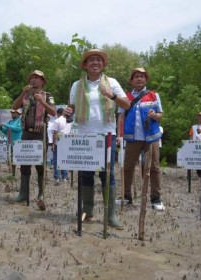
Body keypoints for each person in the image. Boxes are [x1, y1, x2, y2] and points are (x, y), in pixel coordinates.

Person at [65, 49, 130, 228]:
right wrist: (68, 112)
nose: (95, 62)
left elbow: (127, 104)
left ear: (103, 64)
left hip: (107, 134)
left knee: (107, 175)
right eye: (91, 60)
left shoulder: (112, 82)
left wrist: (112, 95)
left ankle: (110, 216)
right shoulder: (76, 86)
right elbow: (71, 110)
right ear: (85, 65)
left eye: (99, 60)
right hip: (84, 135)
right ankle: (88, 211)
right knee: (86, 175)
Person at [117, 67, 164, 211]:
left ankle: (156, 199)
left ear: (146, 79)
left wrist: (155, 115)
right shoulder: (125, 97)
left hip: (151, 138)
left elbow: (161, 114)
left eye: (142, 76)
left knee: (154, 168)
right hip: (132, 138)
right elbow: (121, 116)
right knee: (128, 167)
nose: (139, 78)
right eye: (136, 76)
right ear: (131, 80)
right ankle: (126, 196)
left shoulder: (153, 95)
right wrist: (119, 135)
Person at [12, 70, 56, 202]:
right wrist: (23, 93)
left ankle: (41, 194)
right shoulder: (25, 95)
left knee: (40, 164)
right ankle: (23, 194)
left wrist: (42, 102)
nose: (34, 80)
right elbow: (14, 107)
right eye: (32, 77)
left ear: (42, 81)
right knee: (24, 163)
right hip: (26, 133)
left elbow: (53, 112)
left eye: (37, 78)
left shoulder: (48, 96)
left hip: (40, 134)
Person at [0, 108, 23, 175]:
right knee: (11, 159)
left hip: (18, 142)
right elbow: (5, 131)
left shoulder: (20, 120)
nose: (12, 114)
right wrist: (1, 128)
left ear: (18, 114)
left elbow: (18, 129)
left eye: (13, 112)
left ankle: (22, 174)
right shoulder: (10, 121)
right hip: (10, 143)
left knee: (19, 159)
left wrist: (6, 125)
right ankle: (12, 174)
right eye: (11, 113)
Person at [52, 107, 71, 185]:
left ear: (58, 113)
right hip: (67, 141)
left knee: (56, 160)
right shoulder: (69, 121)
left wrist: (53, 144)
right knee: (65, 160)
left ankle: (57, 177)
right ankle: (65, 177)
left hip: (59, 141)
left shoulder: (57, 121)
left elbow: (55, 133)